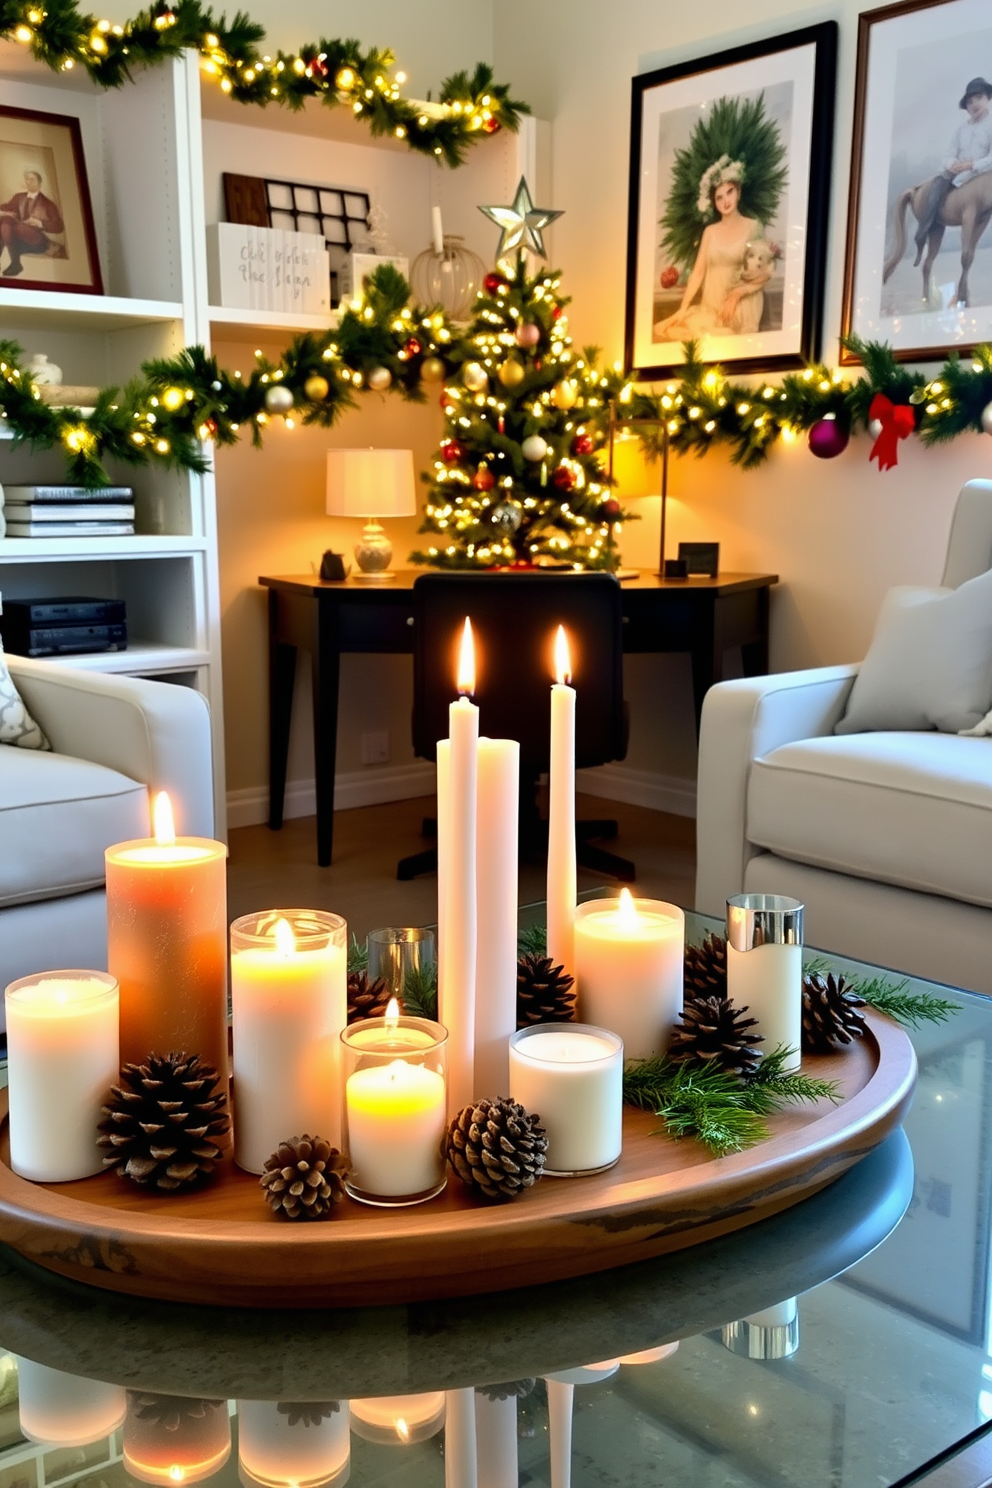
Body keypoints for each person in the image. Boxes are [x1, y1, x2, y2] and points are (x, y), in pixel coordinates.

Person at [655, 157, 773, 339]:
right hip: (710, 304)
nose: (725, 201)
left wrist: (737, 294)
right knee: (667, 328)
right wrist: (682, 309)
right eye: (719, 197)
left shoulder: (752, 227)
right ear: (713, 202)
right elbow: (698, 272)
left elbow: (764, 272)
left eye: (730, 192)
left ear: (739, 192)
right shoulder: (710, 232)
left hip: (738, 304)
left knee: (719, 338)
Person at [914, 77, 992, 252]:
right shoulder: (961, 129)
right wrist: (952, 164)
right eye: (969, 102)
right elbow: (949, 154)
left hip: (981, 176)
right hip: (958, 175)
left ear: (987, 97)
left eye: (978, 98)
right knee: (937, 184)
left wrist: (971, 165)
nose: (974, 104)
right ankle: (925, 226)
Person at [0, 168, 65, 278]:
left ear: (39, 182)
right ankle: (16, 264)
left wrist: (40, 223)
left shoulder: (48, 204)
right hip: (17, 240)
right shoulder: (19, 197)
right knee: (5, 221)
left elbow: (59, 226)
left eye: (32, 179)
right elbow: (6, 207)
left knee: (13, 225)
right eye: (27, 179)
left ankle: (16, 263)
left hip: (36, 242)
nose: (28, 182)